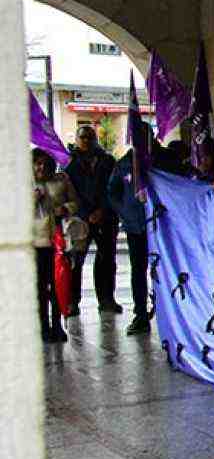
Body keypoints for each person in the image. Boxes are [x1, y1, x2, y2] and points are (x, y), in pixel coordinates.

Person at [64, 125, 122, 315]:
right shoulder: (68, 163)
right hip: (80, 219)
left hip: (106, 216)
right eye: (83, 137)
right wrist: (85, 212)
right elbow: (67, 191)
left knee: (107, 259)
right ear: (77, 139)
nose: (87, 141)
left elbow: (114, 187)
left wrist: (102, 210)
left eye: (90, 137)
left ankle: (106, 299)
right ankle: (73, 301)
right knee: (75, 261)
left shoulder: (108, 160)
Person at [33, 150, 80, 342]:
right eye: (37, 163)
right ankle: (43, 327)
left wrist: (65, 208)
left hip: (59, 243)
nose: (41, 167)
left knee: (59, 286)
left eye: (45, 163)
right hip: (36, 243)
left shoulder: (62, 180)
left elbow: (75, 203)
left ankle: (57, 325)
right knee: (40, 288)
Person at [107, 147, 152, 336]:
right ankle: (140, 314)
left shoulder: (157, 161)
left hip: (158, 226)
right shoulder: (123, 165)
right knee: (138, 270)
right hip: (135, 226)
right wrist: (125, 212)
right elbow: (112, 192)